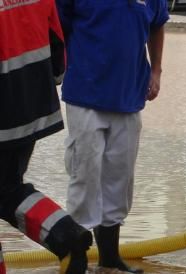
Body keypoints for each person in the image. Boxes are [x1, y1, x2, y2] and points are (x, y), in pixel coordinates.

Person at [55, 0, 169, 272]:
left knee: (119, 178)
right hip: (85, 94)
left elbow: (157, 24)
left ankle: (109, 258)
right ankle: (77, 257)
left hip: (128, 95)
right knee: (85, 174)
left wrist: (156, 70)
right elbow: (58, 27)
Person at [0, 0, 93, 273]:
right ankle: (67, 236)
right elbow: (57, 47)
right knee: (9, 190)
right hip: (32, 109)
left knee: (8, 191)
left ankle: (67, 238)